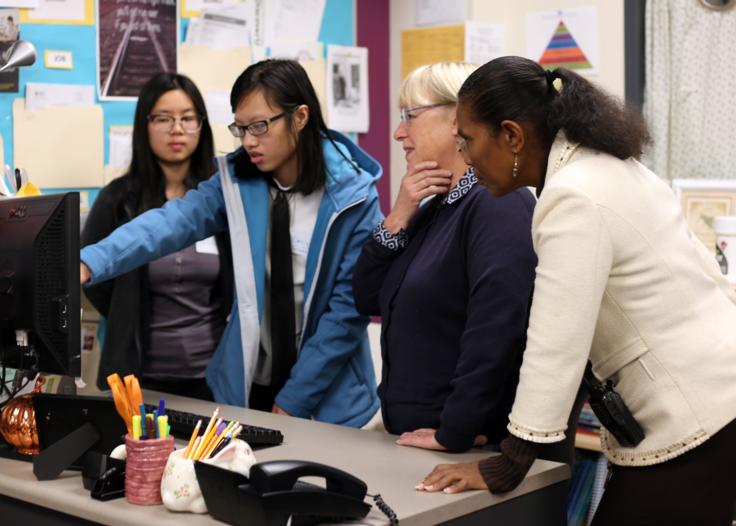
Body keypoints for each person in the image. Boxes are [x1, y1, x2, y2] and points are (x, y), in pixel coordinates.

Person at [418, 56, 736, 525]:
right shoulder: (612, 168)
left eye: (467, 140)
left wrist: (508, 463)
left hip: (698, 418)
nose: (465, 155)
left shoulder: (574, 196)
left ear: (511, 136)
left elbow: (556, 342)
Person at [81, 59, 382, 426]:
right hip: (249, 385)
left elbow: (345, 314)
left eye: (259, 126)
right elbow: (170, 222)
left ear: (300, 117)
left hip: (329, 394)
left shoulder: (354, 198)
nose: (249, 141)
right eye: (240, 128)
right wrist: (90, 260)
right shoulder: (237, 182)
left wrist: (295, 398)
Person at [352, 62, 537, 453]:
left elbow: (495, 331)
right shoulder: (435, 207)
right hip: (415, 438)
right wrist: (400, 213)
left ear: (457, 118)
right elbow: (367, 298)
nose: (399, 132)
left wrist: (454, 430)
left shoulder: (495, 203)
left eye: (409, 116)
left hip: (463, 446)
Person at [81, 72, 231, 399]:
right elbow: (93, 277)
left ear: (202, 126)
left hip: (213, 378)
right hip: (136, 378)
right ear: (144, 125)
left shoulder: (222, 200)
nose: (176, 129)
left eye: (188, 118)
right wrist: (127, 311)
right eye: (163, 118)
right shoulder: (117, 200)